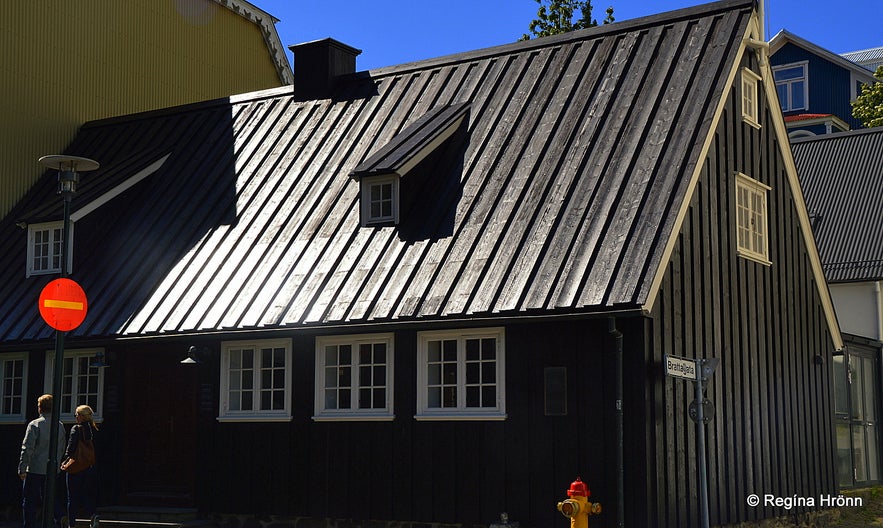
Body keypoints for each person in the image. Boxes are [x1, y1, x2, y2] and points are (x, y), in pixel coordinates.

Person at [18, 394, 66, 528]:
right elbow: (61, 447)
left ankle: (29, 525)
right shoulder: (60, 425)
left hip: (34, 468)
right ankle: (60, 515)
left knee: (29, 501)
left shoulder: (35, 425)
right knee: (49, 497)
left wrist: (22, 468)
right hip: (51, 469)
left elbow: (27, 448)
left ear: (40, 408)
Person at [63, 405, 98, 527]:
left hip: (76, 466)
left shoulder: (76, 429)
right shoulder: (93, 429)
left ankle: (71, 523)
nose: (75, 417)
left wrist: (66, 458)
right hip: (88, 466)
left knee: (72, 497)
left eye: (76, 415)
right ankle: (92, 515)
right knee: (86, 493)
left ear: (81, 416)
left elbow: (71, 448)